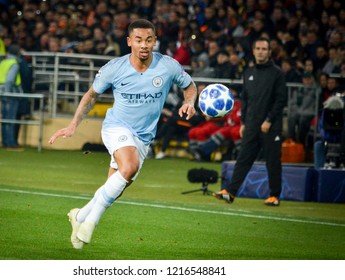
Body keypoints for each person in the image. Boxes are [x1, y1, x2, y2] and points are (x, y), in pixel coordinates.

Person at [48, 19, 197, 249]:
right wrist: (73, 125)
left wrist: (189, 102)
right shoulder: (114, 68)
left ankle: (79, 216)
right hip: (116, 127)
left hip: (143, 137)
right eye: (138, 40)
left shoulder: (168, 66)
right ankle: (90, 223)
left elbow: (189, 86)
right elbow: (90, 96)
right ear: (129, 42)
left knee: (116, 186)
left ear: (155, 41)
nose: (144, 45)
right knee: (129, 167)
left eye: (149, 40)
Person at [212, 37, 287, 206]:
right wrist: (243, 123)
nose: (260, 51)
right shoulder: (248, 73)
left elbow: (281, 100)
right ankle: (230, 192)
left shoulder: (277, 74)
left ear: (269, 52)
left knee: (272, 161)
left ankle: (275, 196)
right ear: (253, 51)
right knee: (243, 159)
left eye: (264, 49)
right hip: (251, 125)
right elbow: (245, 100)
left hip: (270, 126)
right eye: (258, 48)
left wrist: (269, 120)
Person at [0, 44, 23, 150]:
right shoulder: (14, 64)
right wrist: (8, 92)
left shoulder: (3, 62)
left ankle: (4, 142)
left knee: (5, 119)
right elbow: (10, 80)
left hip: (2, 93)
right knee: (10, 120)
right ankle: (10, 144)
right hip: (11, 94)